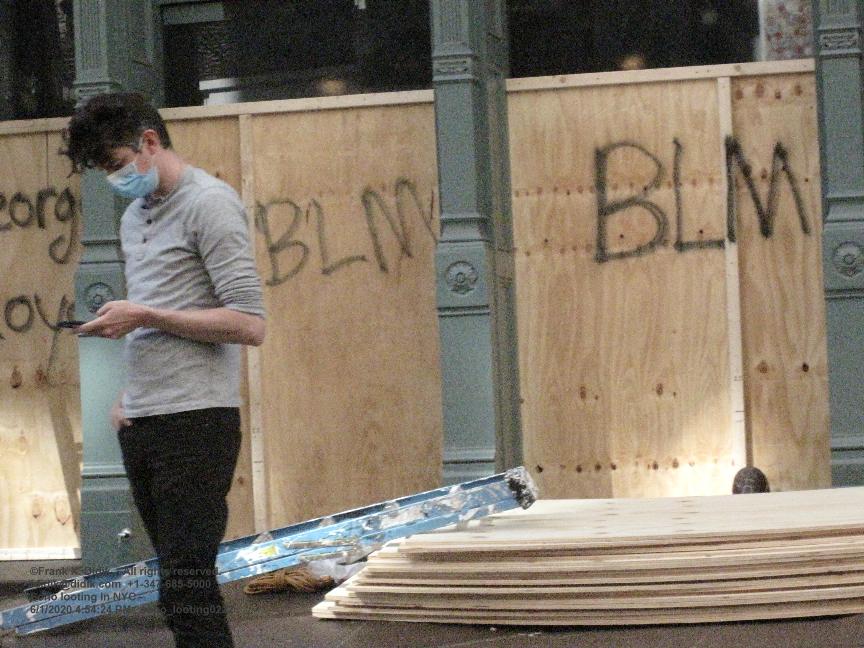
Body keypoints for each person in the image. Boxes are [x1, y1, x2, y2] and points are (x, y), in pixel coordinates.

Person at [62, 92, 266, 648]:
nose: (114, 179)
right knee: (175, 591)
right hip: (144, 419)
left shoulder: (210, 204)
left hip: (197, 419)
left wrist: (146, 315)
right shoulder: (136, 217)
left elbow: (250, 324)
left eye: (115, 163)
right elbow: (155, 313)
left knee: (187, 586)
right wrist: (127, 393)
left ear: (149, 142)